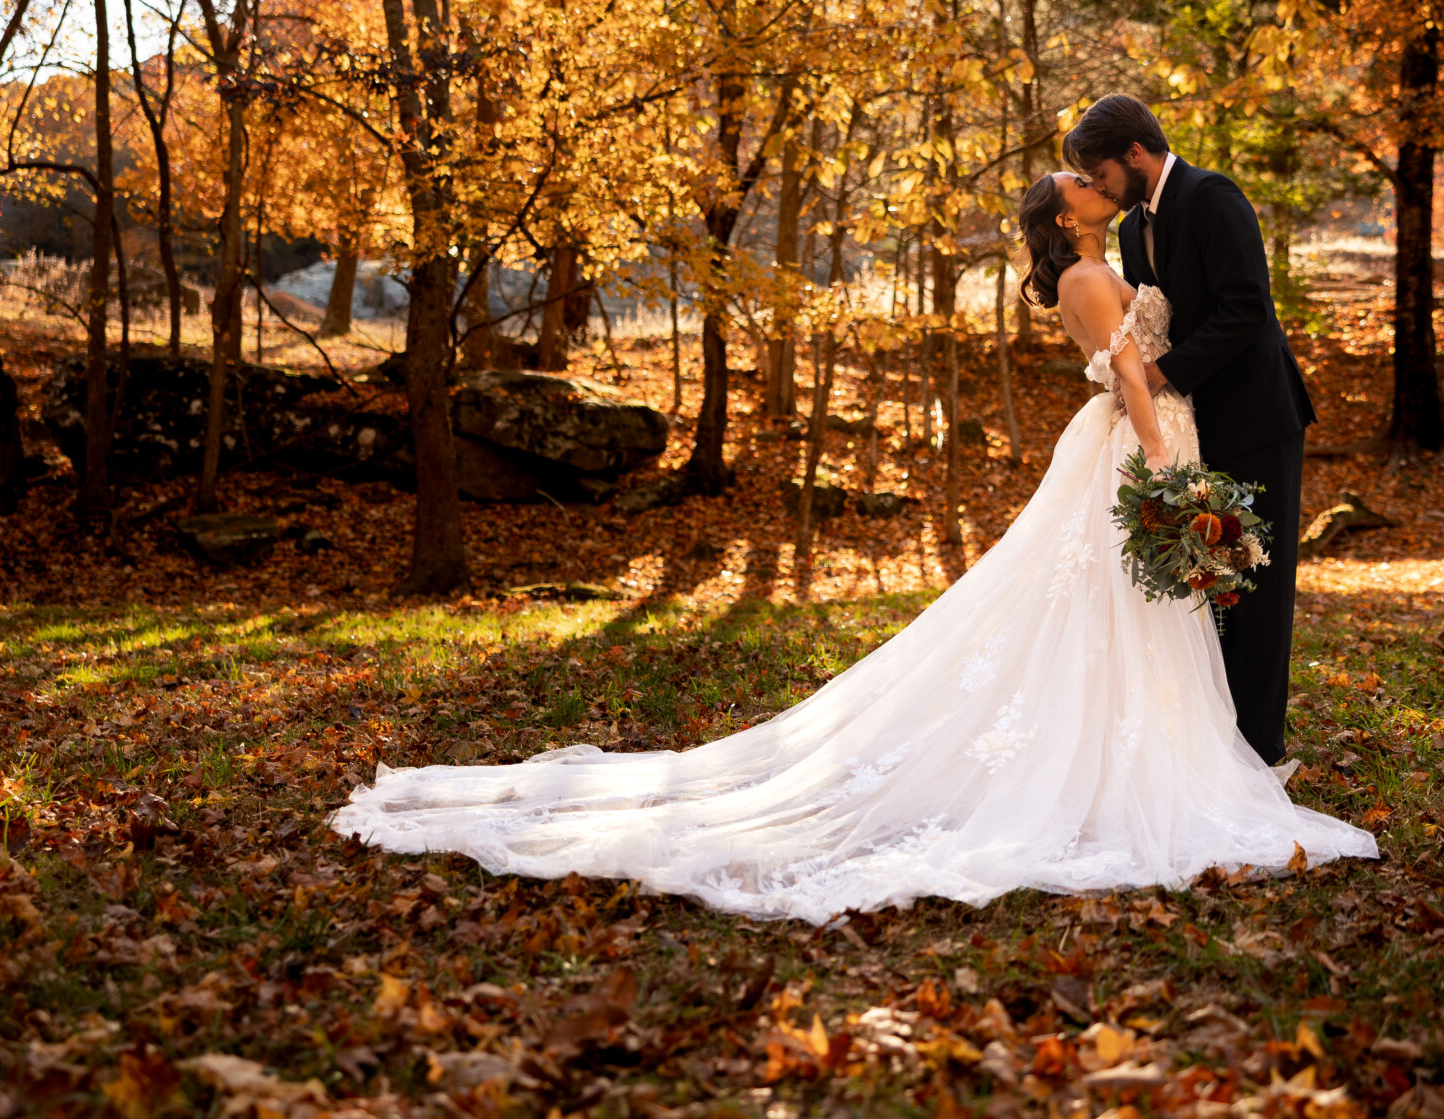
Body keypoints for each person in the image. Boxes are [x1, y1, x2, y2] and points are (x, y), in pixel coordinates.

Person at [329, 166, 1373, 924]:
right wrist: (1168, 470)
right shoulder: (1091, 279)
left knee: (1119, 611)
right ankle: (1125, 764)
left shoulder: (1110, 259)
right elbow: (1135, 378)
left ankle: (1153, 744)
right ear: (1070, 212)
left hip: (1123, 444)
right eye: (1079, 183)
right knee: (1107, 608)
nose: (1092, 183)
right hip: (1136, 445)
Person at [1064, 94, 1316, 766]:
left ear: (1136, 154)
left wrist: (1157, 373)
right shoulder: (1127, 231)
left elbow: (1246, 309)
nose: (1100, 188)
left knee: (1257, 581)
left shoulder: (1213, 197)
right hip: (1191, 425)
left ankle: (1259, 750)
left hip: (1258, 414)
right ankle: (1212, 743)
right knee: (1204, 578)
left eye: (1103, 174)